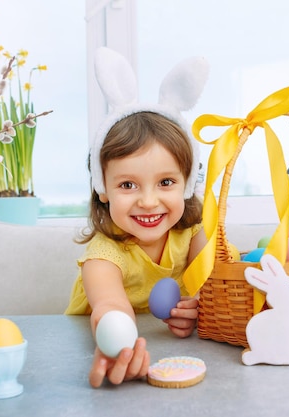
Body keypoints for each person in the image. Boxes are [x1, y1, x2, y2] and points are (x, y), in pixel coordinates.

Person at [65, 47, 209, 388]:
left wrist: (202, 309)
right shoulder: (102, 256)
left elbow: (220, 283)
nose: (148, 201)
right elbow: (110, 306)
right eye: (128, 184)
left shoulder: (193, 234)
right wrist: (119, 345)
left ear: (187, 185)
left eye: (166, 182)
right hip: (95, 345)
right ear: (103, 188)